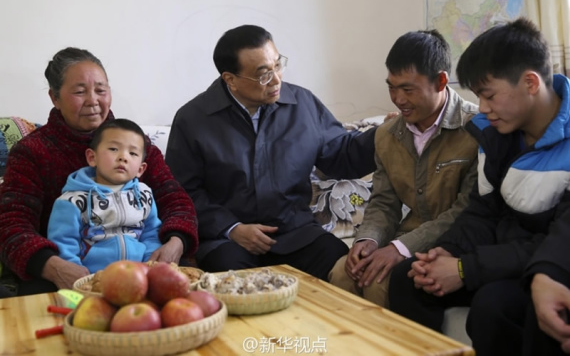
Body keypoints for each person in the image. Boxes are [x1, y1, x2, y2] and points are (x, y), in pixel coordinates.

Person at [388, 17, 570, 356]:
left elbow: (554, 242)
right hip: (497, 259)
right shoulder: (495, 133)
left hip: (545, 267)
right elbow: (482, 209)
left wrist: (464, 269)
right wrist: (447, 250)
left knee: (493, 306)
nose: (482, 108)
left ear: (530, 83)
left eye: (489, 96)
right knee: (407, 278)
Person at [165, 24, 376, 281]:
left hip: (295, 234)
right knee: (233, 279)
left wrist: (386, 135)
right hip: (229, 241)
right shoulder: (193, 118)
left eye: (278, 65)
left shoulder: (303, 104)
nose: (277, 80)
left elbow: (342, 155)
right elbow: (183, 191)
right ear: (230, 79)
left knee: (341, 263)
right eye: (263, 74)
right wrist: (232, 228)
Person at [0, 47, 198, 296]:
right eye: (80, 92)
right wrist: (53, 266)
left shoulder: (136, 145)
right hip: (68, 271)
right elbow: (11, 224)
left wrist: (176, 242)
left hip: (144, 265)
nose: (93, 100)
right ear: (55, 97)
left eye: (101, 90)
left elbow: (176, 200)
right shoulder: (32, 152)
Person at [328, 30, 478, 307]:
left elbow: (465, 211)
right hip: (404, 238)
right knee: (343, 273)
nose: (398, 99)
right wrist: (368, 240)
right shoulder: (386, 135)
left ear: (441, 81)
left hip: (452, 243)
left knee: (379, 282)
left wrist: (400, 249)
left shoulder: (477, 129)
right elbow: (384, 202)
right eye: (391, 87)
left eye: (408, 89)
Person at [47, 118, 162, 273]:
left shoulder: (144, 194)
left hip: (139, 275)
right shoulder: (71, 201)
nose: (123, 157)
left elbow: (151, 233)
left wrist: (150, 265)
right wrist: (79, 276)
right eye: (114, 149)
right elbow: (63, 243)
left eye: (133, 153)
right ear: (92, 158)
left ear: (141, 169)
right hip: (91, 278)